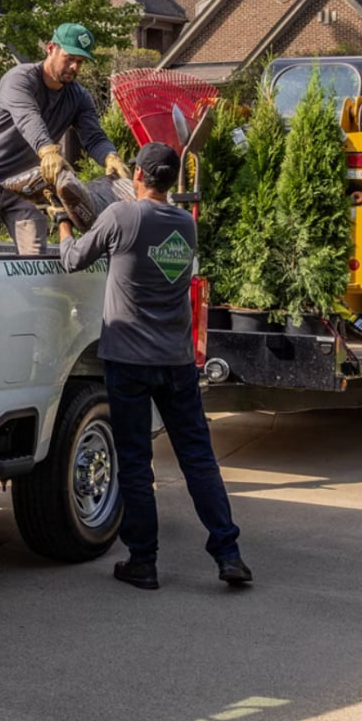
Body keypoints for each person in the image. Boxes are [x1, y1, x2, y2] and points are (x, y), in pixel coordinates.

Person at [56, 142, 250, 591]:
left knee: (136, 462)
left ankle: (143, 562)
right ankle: (228, 553)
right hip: (177, 362)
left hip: (128, 361)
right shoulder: (186, 224)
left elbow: (72, 258)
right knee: (198, 459)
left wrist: (63, 221)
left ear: (139, 176)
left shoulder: (123, 217)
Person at [0, 22, 130, 254]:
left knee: (34, 260)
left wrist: (109, 156)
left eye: (80, 62)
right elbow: (28, 117)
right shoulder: (20, 79)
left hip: (25, 189)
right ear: (51, 48)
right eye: (69, 58)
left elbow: (94, 137)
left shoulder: (79, 97)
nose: (74, 67)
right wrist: (47, 150)